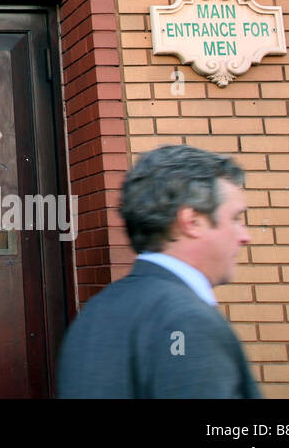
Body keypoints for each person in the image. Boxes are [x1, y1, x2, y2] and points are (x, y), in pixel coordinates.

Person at [57, 143, 260, 398]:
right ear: (192, 221)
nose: (245, 236)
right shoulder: (187, 321)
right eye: (235, 218)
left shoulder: (96, 310)